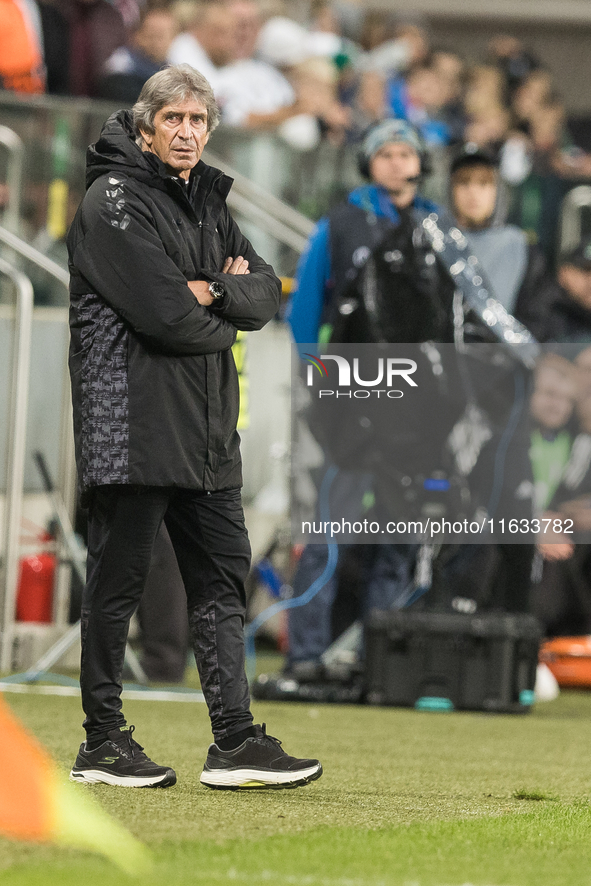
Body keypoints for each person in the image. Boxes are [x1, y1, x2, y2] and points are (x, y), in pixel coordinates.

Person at [67, 64, 322, 790]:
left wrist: (211, 288)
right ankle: (102, 742)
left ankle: (235, 741)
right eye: (174, 119)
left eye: (198, 121)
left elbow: (265, 291)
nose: (187, 132)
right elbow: (167, 318)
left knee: (221, 582)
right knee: (117, 588)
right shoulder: (111, 199)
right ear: (146, 127)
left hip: (206, 430)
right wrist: (221, 307)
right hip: (135, 424)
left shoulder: (207, 200)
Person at [285, 118, 439, 676]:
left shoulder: (436, 225)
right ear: (369, 163)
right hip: (349, 399)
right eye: (386, 153)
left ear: (420, 163)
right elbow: (304, 312)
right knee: (330, 528)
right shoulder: (340, 224)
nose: (397, 162)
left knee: (400, 536)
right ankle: (304, 654)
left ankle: (381, 661)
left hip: (416, 407)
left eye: (406, 153)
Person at [448, 143, 558, 339]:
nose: (473, 193)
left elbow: (538, 317)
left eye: (484, 183)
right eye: (463, 183)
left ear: (498, 191)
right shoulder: (435, 242)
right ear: (450, 190)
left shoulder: (520, 246)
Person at [98, 7, 177, 103]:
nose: (155, 41)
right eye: (151, 34)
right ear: (138, 35)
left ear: (173, 39)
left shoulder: (173, 74)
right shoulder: (121, 65)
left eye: (161, 36)